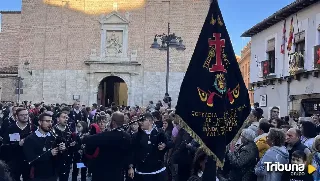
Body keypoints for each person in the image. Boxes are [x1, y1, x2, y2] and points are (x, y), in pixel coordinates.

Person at [82, 111, 132, 181]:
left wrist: (83, 136)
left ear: (113, 122)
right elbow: (128, 154)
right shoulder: (127, 136)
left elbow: (88, 140)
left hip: (102, 173)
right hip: (118, 174)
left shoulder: (106, 135)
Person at [23, 113, 66, 181]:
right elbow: (30, 159)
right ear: (40, 122)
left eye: (51, 121)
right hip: (37, 176)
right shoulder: (30, 138)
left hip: (52, 175)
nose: (50, 124)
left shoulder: (53, 137)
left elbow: (59, 157)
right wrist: (49, 153)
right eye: (47, 121)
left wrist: (62, 150)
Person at [132, 112, 170, 181]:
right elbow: (132, 152)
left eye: (143, 120)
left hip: (158, 171)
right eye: (140, 121)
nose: (141, 123)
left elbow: (169, 143)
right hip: (142, 172)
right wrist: (131, 166)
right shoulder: (136, 135)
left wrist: (165, 145)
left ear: (150, 121)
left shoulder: (160, 132)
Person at [2, 108, 33, 181]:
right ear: (17, 117)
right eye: (22, 115)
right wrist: (18, 144)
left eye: (26, 115)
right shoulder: (11, 128)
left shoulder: (32, 128)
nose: (25, 117)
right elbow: (5, 145)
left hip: (28, 160)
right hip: (14, 160)